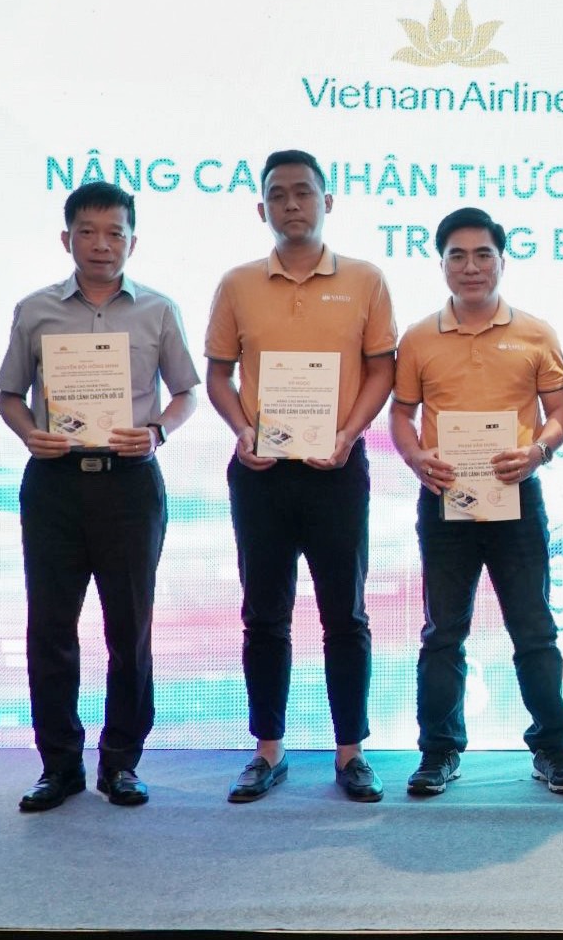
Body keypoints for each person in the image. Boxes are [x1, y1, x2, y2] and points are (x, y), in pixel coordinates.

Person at [0, 181, 200, 812]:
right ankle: (59, 766)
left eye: (115, 233)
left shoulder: (158, 310)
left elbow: (186, 393)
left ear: (132, 242)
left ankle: (121, 763)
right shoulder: (35, 310)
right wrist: (29, 433)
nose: (102, 244)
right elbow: (9, 395)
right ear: (67, 239)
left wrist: (158, 431)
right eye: (88, 232)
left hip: (129, 484)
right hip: (54, 484)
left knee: (129, 627)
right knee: (50, 627)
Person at [206, 149, 397, 803]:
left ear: (327, 201)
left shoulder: (366, 280)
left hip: (336, 469)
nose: (292, 204)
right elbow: (218, 375)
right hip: (260, 472)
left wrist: (349, 435)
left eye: (304, 192)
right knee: (264, 615)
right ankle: (268, 749)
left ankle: (351, 753)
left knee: (346, 614)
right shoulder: (237, 284)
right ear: (261, 207)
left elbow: (382, 369)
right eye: (278, 195)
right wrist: (241, 429)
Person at [390, 207, 563, 796]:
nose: (471, 267)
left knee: (534, 628)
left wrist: (539, 452)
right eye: (458, 255)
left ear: (503, 261)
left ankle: (553, 749)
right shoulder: (418, 337)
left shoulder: (535, 333)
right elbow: (401, 414)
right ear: (442, 264)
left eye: (483, 255)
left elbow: (561, 412)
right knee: (443, 633)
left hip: (516, 497)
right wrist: (415, 458)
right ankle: (439, 752)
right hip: (444, 500)